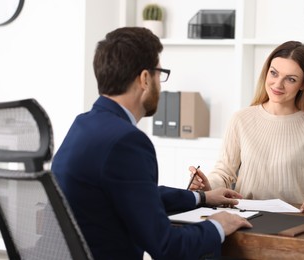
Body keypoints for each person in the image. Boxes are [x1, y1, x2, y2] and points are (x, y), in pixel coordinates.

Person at [51, 27, 252, 260]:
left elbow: (137, 194)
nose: (160, 83)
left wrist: (203, 198)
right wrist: (217, 225)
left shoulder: (83, 125)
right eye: (159, 74)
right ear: (145, 78)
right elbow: (167, 247)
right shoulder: (127, 141)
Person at [189, 41, 304, 214]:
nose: (278, 84)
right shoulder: (241, 119)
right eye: (274, 73)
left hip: (295, 218)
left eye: (290, 79)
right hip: (244, 216)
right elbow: (224, 173)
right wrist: (206, 184)